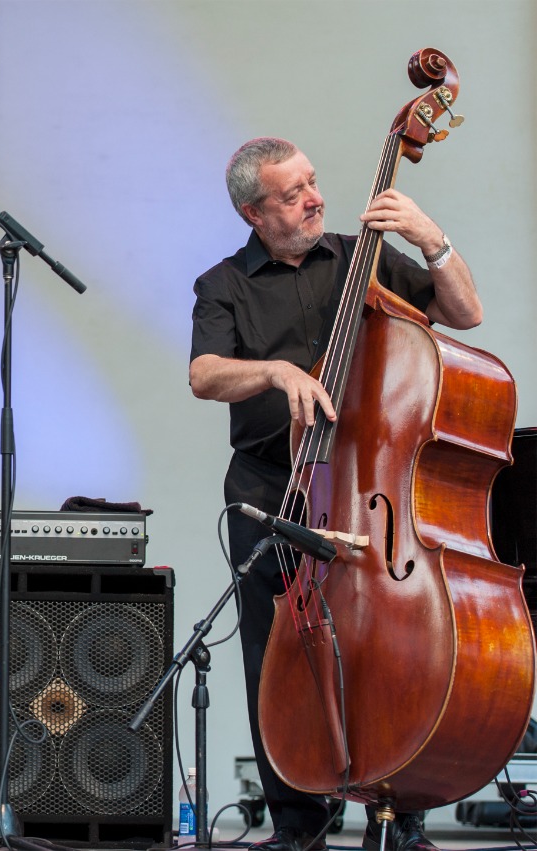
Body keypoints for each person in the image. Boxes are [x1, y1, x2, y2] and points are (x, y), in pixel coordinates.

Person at [189, 138, 483, 851]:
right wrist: (275, 373)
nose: (315, 197)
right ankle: (299, 822)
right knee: (277, 652)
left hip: (372, 484)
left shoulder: (365, 258)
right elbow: (203, 374)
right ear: (255, 212)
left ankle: (400, 809)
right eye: (293, 194)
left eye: (313, 182)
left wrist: (432, 240)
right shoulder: (223, 283)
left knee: (393, 643)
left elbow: (465, 314)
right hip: (273, 487)